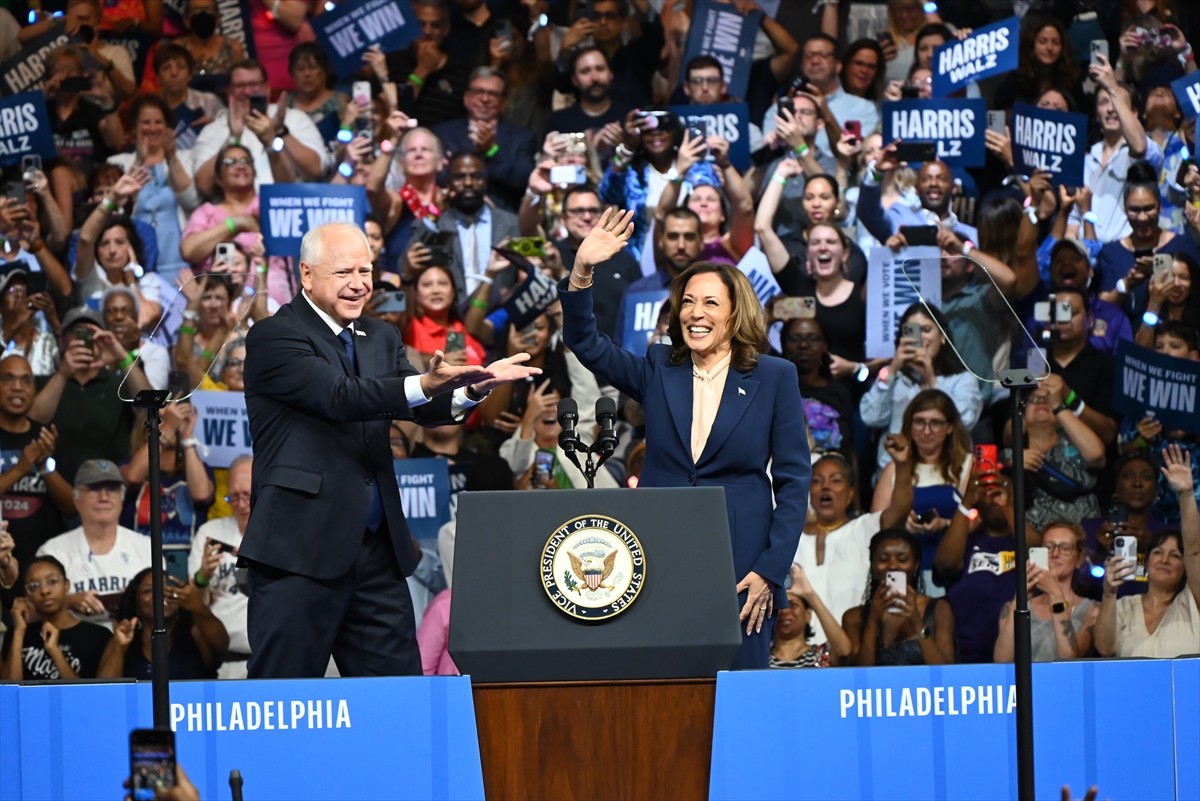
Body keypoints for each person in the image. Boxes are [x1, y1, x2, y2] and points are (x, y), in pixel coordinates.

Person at [240, 221, 540, 678]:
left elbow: (422, 406)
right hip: (298, 554)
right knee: (285, 704)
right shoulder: (274, 336)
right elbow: (341, 396)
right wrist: (422, 383)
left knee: (400, 701)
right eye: (344, 272)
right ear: (305, 275)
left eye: (366, 270)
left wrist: (474, 387)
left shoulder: (380, 337)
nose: (359, 283)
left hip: (377, 555)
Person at [560, 210, 811, 669]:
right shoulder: (659, 367)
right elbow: (586, 343)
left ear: (736, 312)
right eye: (689, 302)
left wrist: (771, 570)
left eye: (711, 303)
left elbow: (795, 482)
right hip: (660, 552)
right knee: (664, 682)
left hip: (743, 562)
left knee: (740, 688)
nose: (696, 313)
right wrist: (582, 272)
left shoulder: (774, 377)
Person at [1095, 445, 1199, 658]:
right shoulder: (1124, 606)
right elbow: (1105, 648)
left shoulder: (1192, 603)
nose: (1165, 559)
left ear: (1185, 567)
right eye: (1158, 552)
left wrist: (1186, 494)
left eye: (1175, 555)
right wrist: (1109, 592)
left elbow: (1195, 550)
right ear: (1146, 561)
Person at [35, 459, 153, 629]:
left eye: (111, 490)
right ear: (76, 500)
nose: (104, 497)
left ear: (121, 499)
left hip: (133, 647)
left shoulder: (147, 548)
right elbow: (33, 607)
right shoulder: (52, 552)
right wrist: (68, 601)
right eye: (94, 489)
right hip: (72, 649)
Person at [842, 528, 956, 666]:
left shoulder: (938, 609)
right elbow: (859, 676)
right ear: (872, 565)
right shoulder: (854, 617)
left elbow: (946, 674)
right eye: (883, 559)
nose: (893, 565)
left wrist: (917, 623)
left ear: (915, 565)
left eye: (902, 559)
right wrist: (872, 620)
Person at [994, 521, 1098, 663]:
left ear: (1079, 558)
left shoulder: (1091, 610)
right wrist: (1019, 601)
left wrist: (1055, 595)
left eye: (1065, 548)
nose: (1055, 554)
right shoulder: (1015, 606)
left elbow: (1068, 660)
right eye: (1048, 547)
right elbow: (1002, 661)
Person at [97, 568, 228, 680]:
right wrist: (119, 647)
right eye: (148, 591)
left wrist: (198, 607)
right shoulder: (123, 639)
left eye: (168, 590)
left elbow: (220, 646)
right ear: (135, 603)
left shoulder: (195, 634)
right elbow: (106, 691)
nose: (159, 595)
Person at [188, 454, 252, 677]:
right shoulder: (211, 533)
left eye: (247, 496)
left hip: (271, 658)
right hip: (222, 661)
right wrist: (203, 576)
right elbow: (196, 604)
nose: (241, 504)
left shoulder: (283, 533)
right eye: (234, 497)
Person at [1, 555, 112, 680]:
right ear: (27, 595)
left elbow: (84, 696)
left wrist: (54, 651)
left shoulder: (98, 636)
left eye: (52, 581)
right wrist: (19, 631)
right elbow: (8, 693)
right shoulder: (16, 634)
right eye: (33, 586)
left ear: (66, 585)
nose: (44, 591)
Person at [768, 562, 850, 668]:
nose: (785, 611)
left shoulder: (819, 656)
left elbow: (844, 652)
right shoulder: (760, 658)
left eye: (792, 605)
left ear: (808, 614)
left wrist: (809, 594)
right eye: (779, 606)